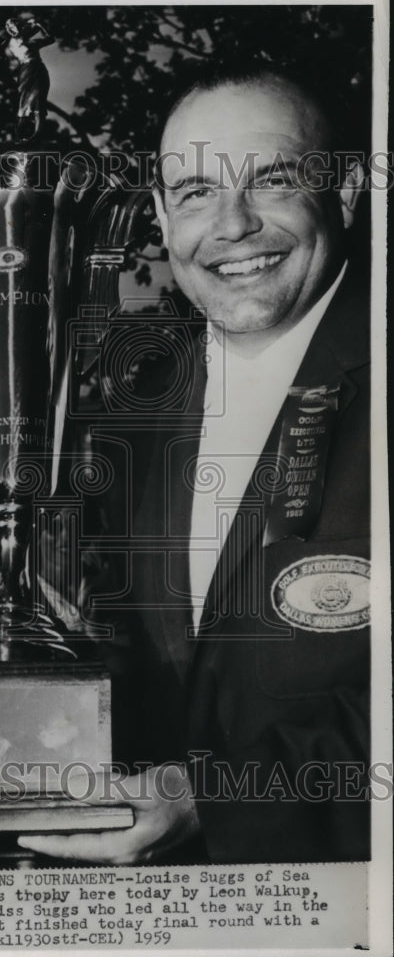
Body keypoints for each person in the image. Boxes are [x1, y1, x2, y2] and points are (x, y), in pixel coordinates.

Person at [19, 67, 370, 864]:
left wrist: (218, 795)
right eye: (196, 193)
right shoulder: (131, 409)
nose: (233, 225)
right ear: (160, 217)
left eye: (272, 180)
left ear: (345, 189)